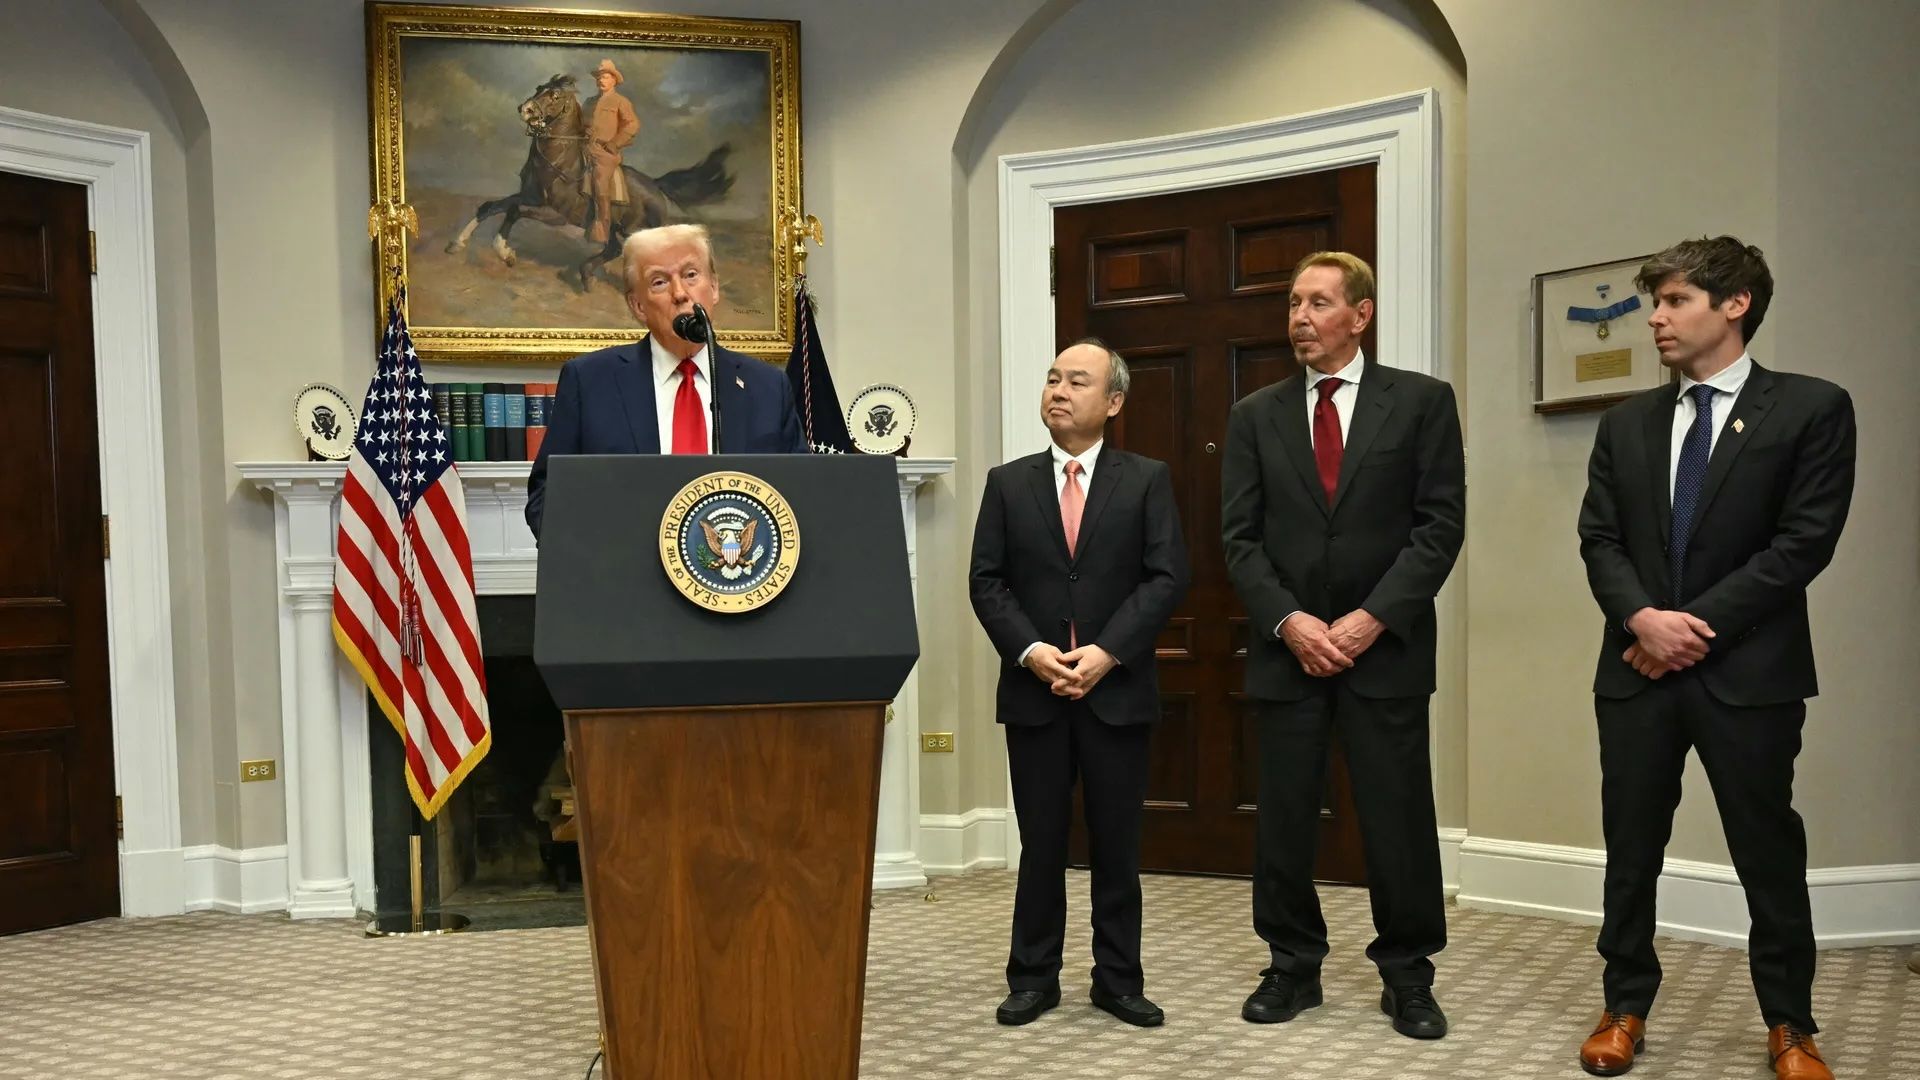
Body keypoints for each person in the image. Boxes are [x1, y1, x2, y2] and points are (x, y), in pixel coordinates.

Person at [1575, 236, 1854, 1080]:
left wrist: (1685, 628)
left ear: (1735, 306)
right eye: (1654, 302)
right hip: (1634, 670)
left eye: (1674, 301)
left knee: (1767, 849)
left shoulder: (1811, 407)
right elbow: (1599, 540)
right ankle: (1623, 1005)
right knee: (1631, 848)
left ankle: (1790, 1025)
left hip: (1749, 675)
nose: (1655, 318)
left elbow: (1802, 543)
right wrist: (1641, 621)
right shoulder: (1625, 421)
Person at [1220, 251, 1465, 1040]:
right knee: (1285, 818)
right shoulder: (1255, 414)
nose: (1299, 317)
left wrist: (1370, 619)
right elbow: (1239, 540)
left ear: (1360, 315)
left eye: (1318, 303)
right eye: (1293, 302)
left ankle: (1409, 976)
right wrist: (1290, 622)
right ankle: (1291, 967)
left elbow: (1439, 528)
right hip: (1288, 652)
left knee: (1397, 818)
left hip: (1384, 651)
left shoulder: (1422, 403)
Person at [968, 340, 1189, 1029]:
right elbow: (986, 581)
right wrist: (1033, 651)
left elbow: (1166, 577)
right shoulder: (1008, 482)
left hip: (1115, 692)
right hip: (1035, 693)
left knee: (1117, 844)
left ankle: (1118, 979)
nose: (1058, 391)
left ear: (1113, 402)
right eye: (1052, 378)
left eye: (1077, 381)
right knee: (1041, 844)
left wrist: (1107, 652)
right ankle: (1033, 977)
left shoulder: (1146, 479)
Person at [525, 223, 805, 538]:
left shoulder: (767, 387)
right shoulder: (590, 382)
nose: (680, 294)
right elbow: (545, 498)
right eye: (659, 282)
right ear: (638, 305)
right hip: (625, 577)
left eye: (691, 275)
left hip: (737, 572)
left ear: (713, 288)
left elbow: (802, 497)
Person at [582, 59, 638, 244]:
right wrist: (584, 130)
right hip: (585, 147)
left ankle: (601, 228)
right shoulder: (589, 102)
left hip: (605, 153)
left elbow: (632, 124)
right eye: (599, 77)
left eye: (605, 77)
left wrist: (615, 143)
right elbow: (581, 124)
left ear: (614, 80)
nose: (601, 80)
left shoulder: (621, 101)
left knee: (599, 180)